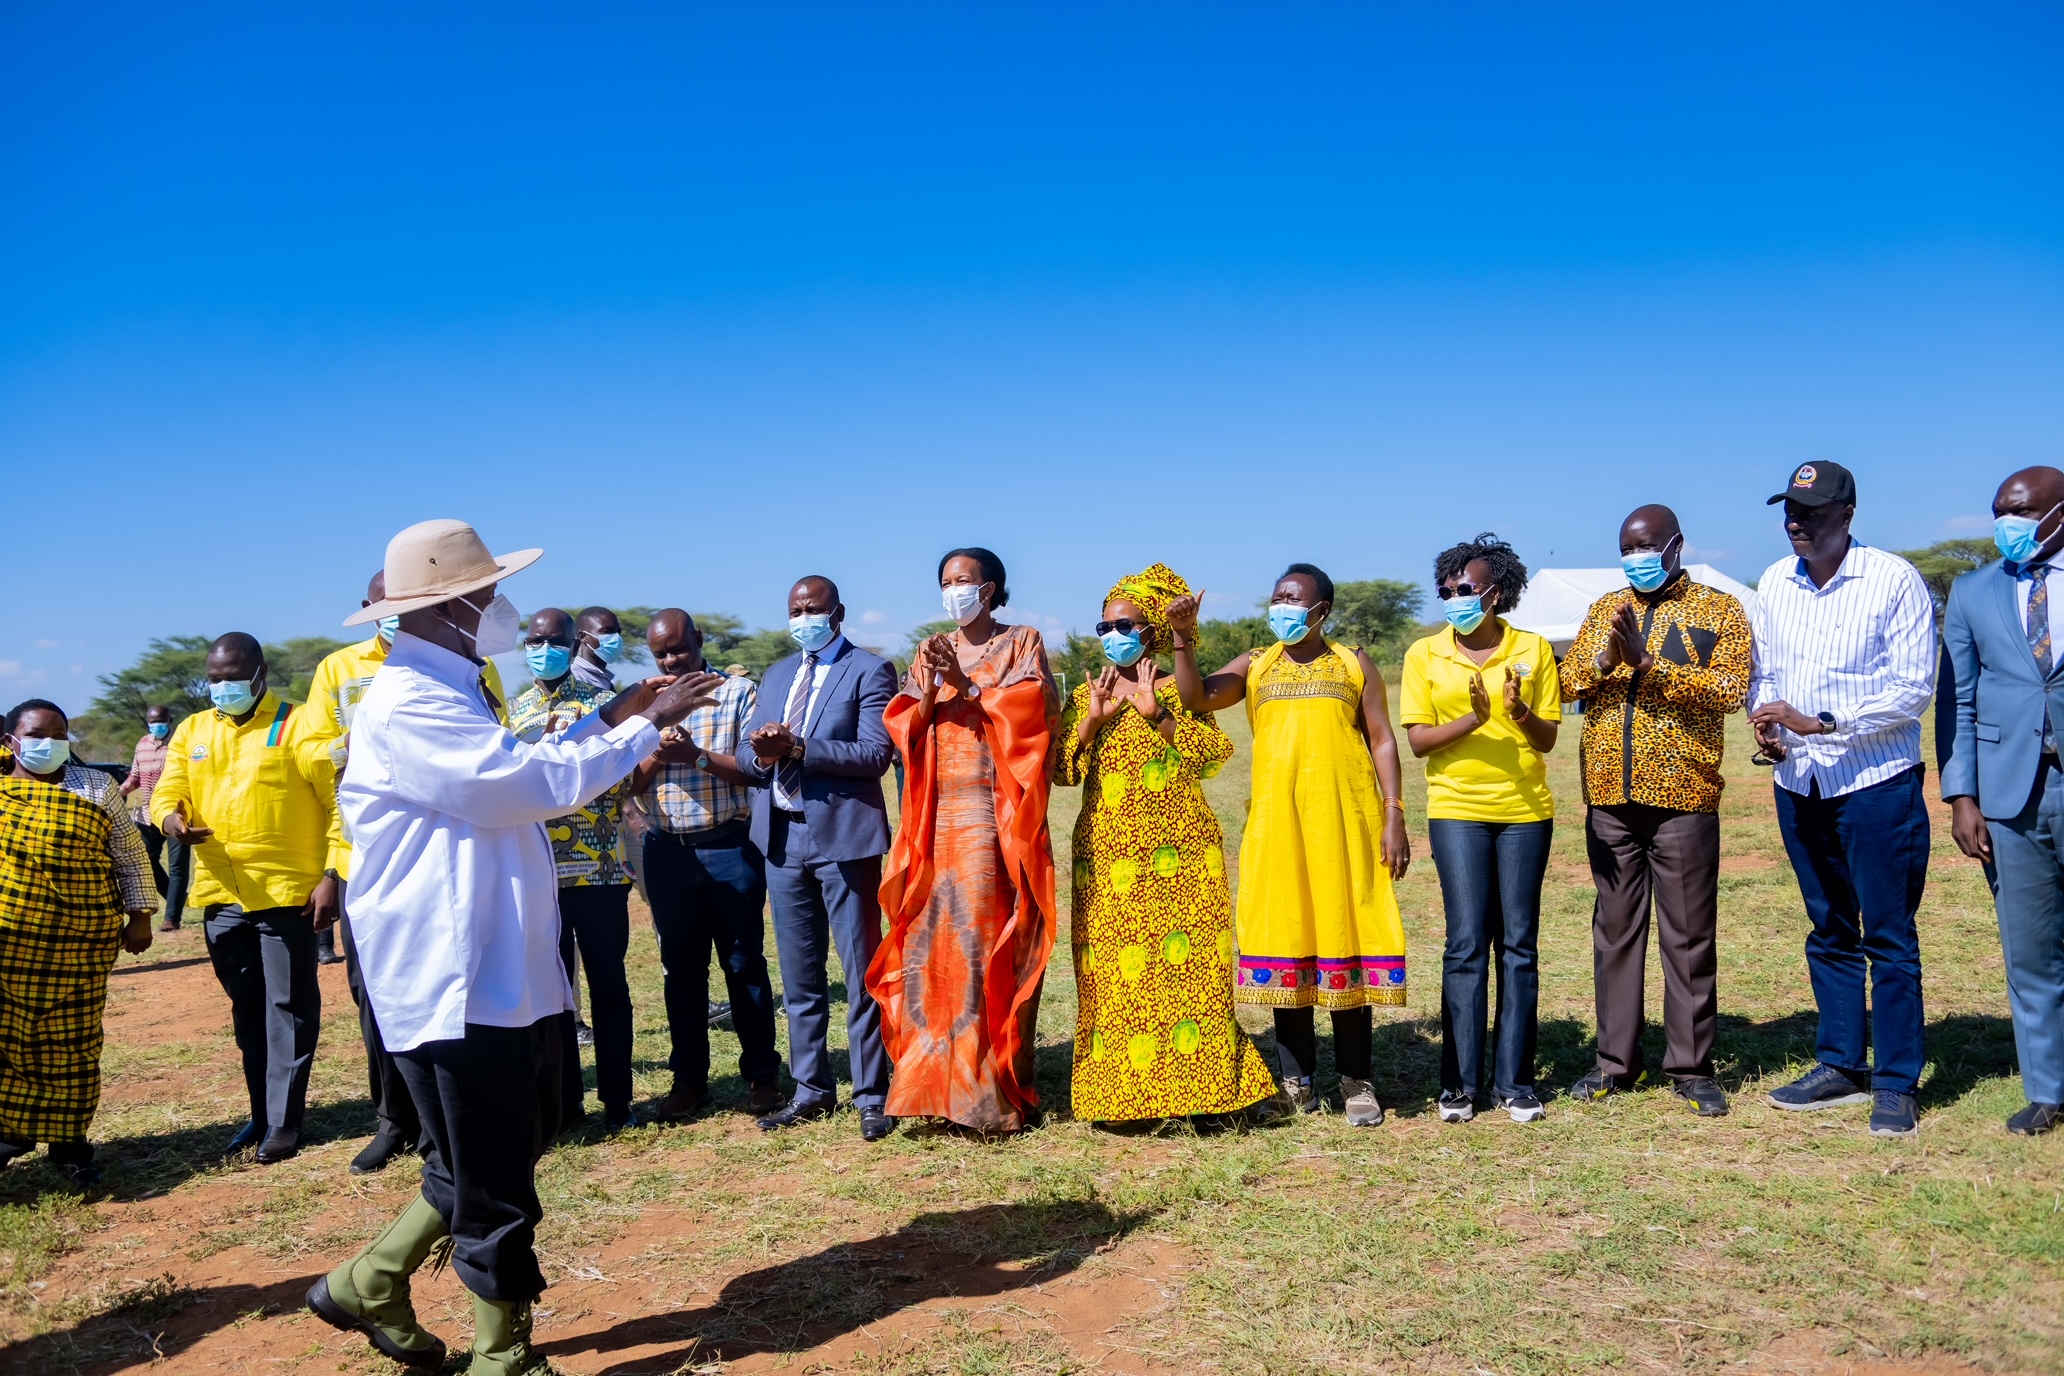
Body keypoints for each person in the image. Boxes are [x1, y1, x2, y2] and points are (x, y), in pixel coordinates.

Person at [308, 518, 719, 1372]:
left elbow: (520, 757)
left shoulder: (456, 684)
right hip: (453, 972)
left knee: (499, 1146)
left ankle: (371, 1279)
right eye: (486, 592)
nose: (499, 604)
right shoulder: (410, 699)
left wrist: (617, 710)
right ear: (453, 603)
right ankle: (507, 1359)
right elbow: (525, 785)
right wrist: (649, 729)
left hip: (500, 963)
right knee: (496, 1181)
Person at [1173, 563, 1411, 1126]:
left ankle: (1356, 1081)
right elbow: (1197, 697)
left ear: (1320, 610)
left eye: (1292, 598)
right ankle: (1297, 1082)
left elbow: (1381, 738)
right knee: (1288, 942)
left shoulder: (1353, 664)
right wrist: (1183, 638)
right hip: (1279, 830)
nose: (1280, 605)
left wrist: (1394, 813)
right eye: (1277, 596)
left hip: (1343, 826)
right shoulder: (1256, 666)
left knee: (1344, 937)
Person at [1749, 461, 1936, 1138]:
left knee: (1887, 932)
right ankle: (1840, 1064)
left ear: (1848, 516)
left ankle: (1894, 1081)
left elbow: (1913, 686)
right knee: (1829, 926)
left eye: (1813, 514)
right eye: (1791, 512)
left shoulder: (1892, 580)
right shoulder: (1774, 582)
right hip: (1800, 782)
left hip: (1874, 782)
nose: (1797, 524)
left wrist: (1825, 723)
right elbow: (1765, 672)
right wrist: (1771, 727)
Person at [1060, 564, 1275, 1125]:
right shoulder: (1087, 692)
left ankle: (1202, 1095)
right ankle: (1121, 1097)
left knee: (1190, 970)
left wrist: (1158, 718)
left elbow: (1212, 756)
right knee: (1112, 971)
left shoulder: (1176, 693)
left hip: (1182, 848)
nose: (1112, 635)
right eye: (1104, 625)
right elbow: (1060, 771)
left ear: (1151, 631)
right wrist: (1089, 723)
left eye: (1124, 624)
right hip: (1108, 856)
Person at [1557, 506, 1750, 1117]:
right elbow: (1564, 683)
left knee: (1687, 934)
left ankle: (1691, 1065)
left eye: (1646, 546)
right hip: (1609, 794)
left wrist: (1649, 663)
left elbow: (1729, 691)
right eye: (1626, 547)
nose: (1635, 556)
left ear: (1675, 546)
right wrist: (1603, 662)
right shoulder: (1603, 608)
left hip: (1684, 796)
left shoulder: (1719, 611)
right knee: (1614, 931)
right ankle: (1615, 1062)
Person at [871, 547, 1058, 1133]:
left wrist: (966, 686)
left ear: (992, 587)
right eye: (946, 580)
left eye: (965, 580)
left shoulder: (1022, 640)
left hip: (988, 814)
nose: (954, 589)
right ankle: (931, 1089)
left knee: (979, 944)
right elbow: (905, 725)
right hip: (933, 816)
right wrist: (929, 691)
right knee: (929, 947)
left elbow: (1036, 712)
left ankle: (986, 1094)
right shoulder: (929, 647)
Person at [153, 633, 340, 1164]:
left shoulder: (300, 723)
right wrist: (171, 819)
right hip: (221, 895)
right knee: (248, 1011)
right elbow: (168, 791)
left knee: (288, 1008)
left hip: (287, 894)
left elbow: (337, 804)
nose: (223, 687)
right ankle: (260, 1112)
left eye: (233, 677)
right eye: (214, 679)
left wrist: (332, 874)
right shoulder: (193, 730)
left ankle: (284, 1122)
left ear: (260, 674)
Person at [1401, 534, 1562, 1125]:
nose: (1454, 598)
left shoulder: (1533, 649)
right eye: (1446, 590)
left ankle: (1515, 1083)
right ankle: (1460, 1085)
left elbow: (1547, 735)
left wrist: (1518, 713)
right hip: (1456, 809)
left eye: (1464, 589)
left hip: (1524, 811)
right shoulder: (1426, 654)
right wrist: (1474, 718)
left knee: (1518, 945)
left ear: (1497, 591)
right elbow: (1417, 741)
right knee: (1465, 942)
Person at [735, 576, 900, 1140]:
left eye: (814, 609)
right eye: (795, 609)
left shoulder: (869, 670)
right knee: (799, 977)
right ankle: (810, 1090)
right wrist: (760, 754)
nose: (804, 617)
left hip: (844, 841)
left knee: (860, 973)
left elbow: (875, 753)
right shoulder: (779, 674)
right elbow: (748, 754)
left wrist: (799, 748)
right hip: (782, 840)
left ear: (838, 612)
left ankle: (872, 1093)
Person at [1940, 465, 2064, 1136]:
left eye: (2020, 512)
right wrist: (1962, 793)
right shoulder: (1971, 592)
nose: (2006, 526)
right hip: (2009, 792)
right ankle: (2048, 1089)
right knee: (2030, 950)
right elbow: (1957, 699)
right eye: (1998, 512)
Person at [630, 609, 784, 1122]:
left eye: (678, 648)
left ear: (698, 639)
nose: (672, 661)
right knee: (681, 972)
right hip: (667, 851)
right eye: (661, 654)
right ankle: (689, 1083)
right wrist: (657, 751)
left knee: (744, 965)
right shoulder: (645, 703)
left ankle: (762, 1077)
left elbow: (753, 771)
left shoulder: (738, 693)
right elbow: (630, 783)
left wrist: (693, 756)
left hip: (728, 847)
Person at [0, 700, 156, 1184]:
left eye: (59, 733)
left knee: (74, 1042)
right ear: (10, 742)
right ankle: (10, 1135)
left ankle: (68, 1141)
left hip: (80, 946)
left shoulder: (95, 787)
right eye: (37, 733)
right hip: (10, 949)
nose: (49, 742)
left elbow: (128, 855)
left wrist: (141, 916)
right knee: (8, 1041)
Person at [505, 607, 638, 1133]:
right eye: (535, 641)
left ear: (574, 642)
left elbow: (623, 774)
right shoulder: (513, 714)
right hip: (539, 872)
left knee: (609, 986)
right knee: (551, 995)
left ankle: (618, 1101)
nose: (544, 649)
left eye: (554, 641)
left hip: (601, 868)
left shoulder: (606, 706)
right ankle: (562, 1104)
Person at [120, 704, 190, 931]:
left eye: (160, 721)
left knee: (178, 866)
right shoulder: (142, 744)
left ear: (169, 721)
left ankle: (172, 917)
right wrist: (120, 792)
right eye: (151, 722)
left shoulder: (179, 743)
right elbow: (135, 777)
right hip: (147, 814)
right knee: (145, 859)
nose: (156, 726)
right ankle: (175, 896)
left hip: (175, 813)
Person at [573, 605, 626, 692]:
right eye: (606, 632)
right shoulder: (576, 677)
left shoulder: (603, 678)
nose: (616, 637)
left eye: (618, 632)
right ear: (583, 637)